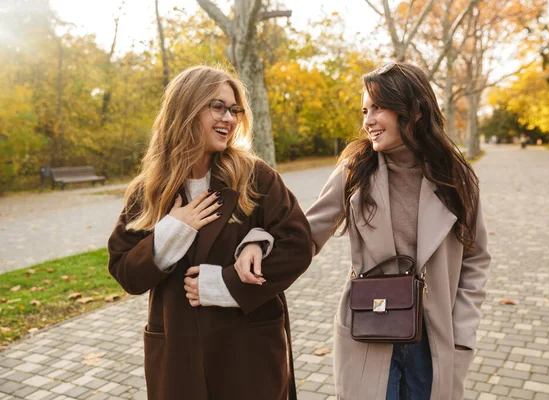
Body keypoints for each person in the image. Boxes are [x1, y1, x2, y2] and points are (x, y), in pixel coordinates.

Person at [232, 62, 491, 400]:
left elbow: (475, 259)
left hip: (435, 339)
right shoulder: (356, 171)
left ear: (413, 111)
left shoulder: (457, 179)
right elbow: (305, 233)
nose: (367, 120)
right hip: (371, 330)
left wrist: (462, 334)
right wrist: (257, 242)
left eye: (378, 108)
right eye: (364, 110)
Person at [107, 65, 312, 400]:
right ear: (186, 109)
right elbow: (124, 271)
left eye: (234, 109)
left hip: (248, 353)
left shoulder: (255, 177)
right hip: (178, 355)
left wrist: (227, 283)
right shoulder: (148, 190)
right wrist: (172, 231)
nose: (229, 118)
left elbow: (298, 243)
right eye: (217, 106)